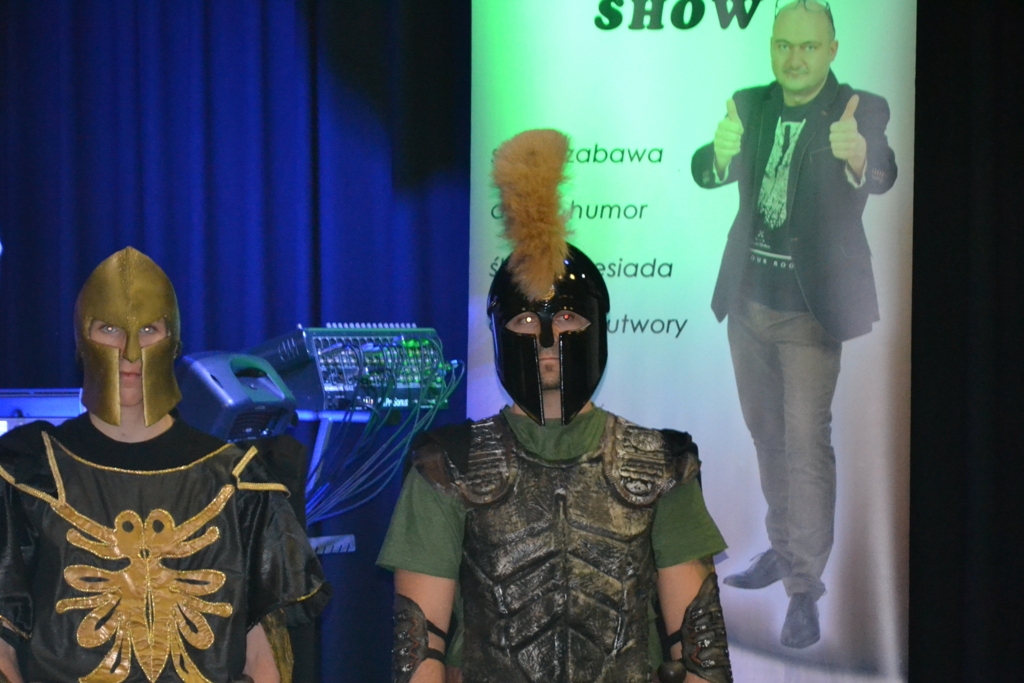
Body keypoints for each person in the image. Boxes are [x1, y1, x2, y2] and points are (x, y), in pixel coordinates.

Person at [379, 129, 732, 683]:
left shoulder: (661, 465)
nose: (547, 344)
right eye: (525, 322)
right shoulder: (447, 466)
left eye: (567, 319)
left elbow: (703, 656)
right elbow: (418, 655)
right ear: (502, 332)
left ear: (595, 327)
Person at [0, 247, 330, 683]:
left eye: (149, 329)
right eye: (109, 329)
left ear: (173, 339)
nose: (130, 352)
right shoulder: (28, 473)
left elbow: (264, 657)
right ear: (82, 337)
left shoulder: (239, 481)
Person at [690, 0, 897, 649]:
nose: (794, 58)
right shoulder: (749, 105)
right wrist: (716, 155)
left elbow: (883, 172)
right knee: (768, 435)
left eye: (809, 46)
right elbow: (705, 170)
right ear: (771, 46)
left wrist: (860, 157)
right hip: (747, 304)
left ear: (832, 49)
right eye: (784, 44)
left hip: (811, 310)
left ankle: (804, 587)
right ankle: (783, 549)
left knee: (806, 444)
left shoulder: (859, 108)